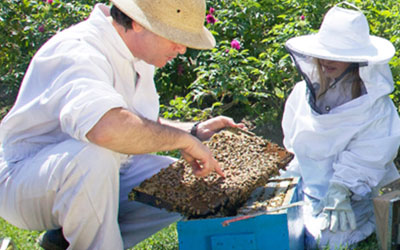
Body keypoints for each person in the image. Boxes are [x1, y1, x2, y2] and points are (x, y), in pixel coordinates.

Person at [0, 0, 245, 249]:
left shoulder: (135, 51)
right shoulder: (78, 51)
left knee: (192, 187)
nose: (181, 49)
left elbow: (136, 122)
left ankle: (66, 239)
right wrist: (182, 141)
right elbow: (106, 130)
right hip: (26, 180)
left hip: (105, 169)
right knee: (93, 157)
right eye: (174, 36)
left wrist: (192, 131)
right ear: (138, 23)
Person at [282, 2, 400, 249]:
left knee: (328, 240)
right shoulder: (300, 94)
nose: (326, 61)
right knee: (282, 227)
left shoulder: (377, 107)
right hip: (310, 191)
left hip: (357, 195)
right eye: (324, 53)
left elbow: (370, 156)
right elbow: (293, 148)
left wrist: (340, 189)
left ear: (357, 60)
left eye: (337, 55)